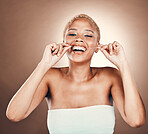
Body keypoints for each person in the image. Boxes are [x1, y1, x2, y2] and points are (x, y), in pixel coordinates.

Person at [6, 14, 146, 134]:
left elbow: (136, 120)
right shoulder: (50, 77)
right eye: (72, 34)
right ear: (64, 43)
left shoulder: (110, 76)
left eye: (88, 35)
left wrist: (123, 64)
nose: (79, 39)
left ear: (98, 46)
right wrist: (44, 64)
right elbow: (14, 115)